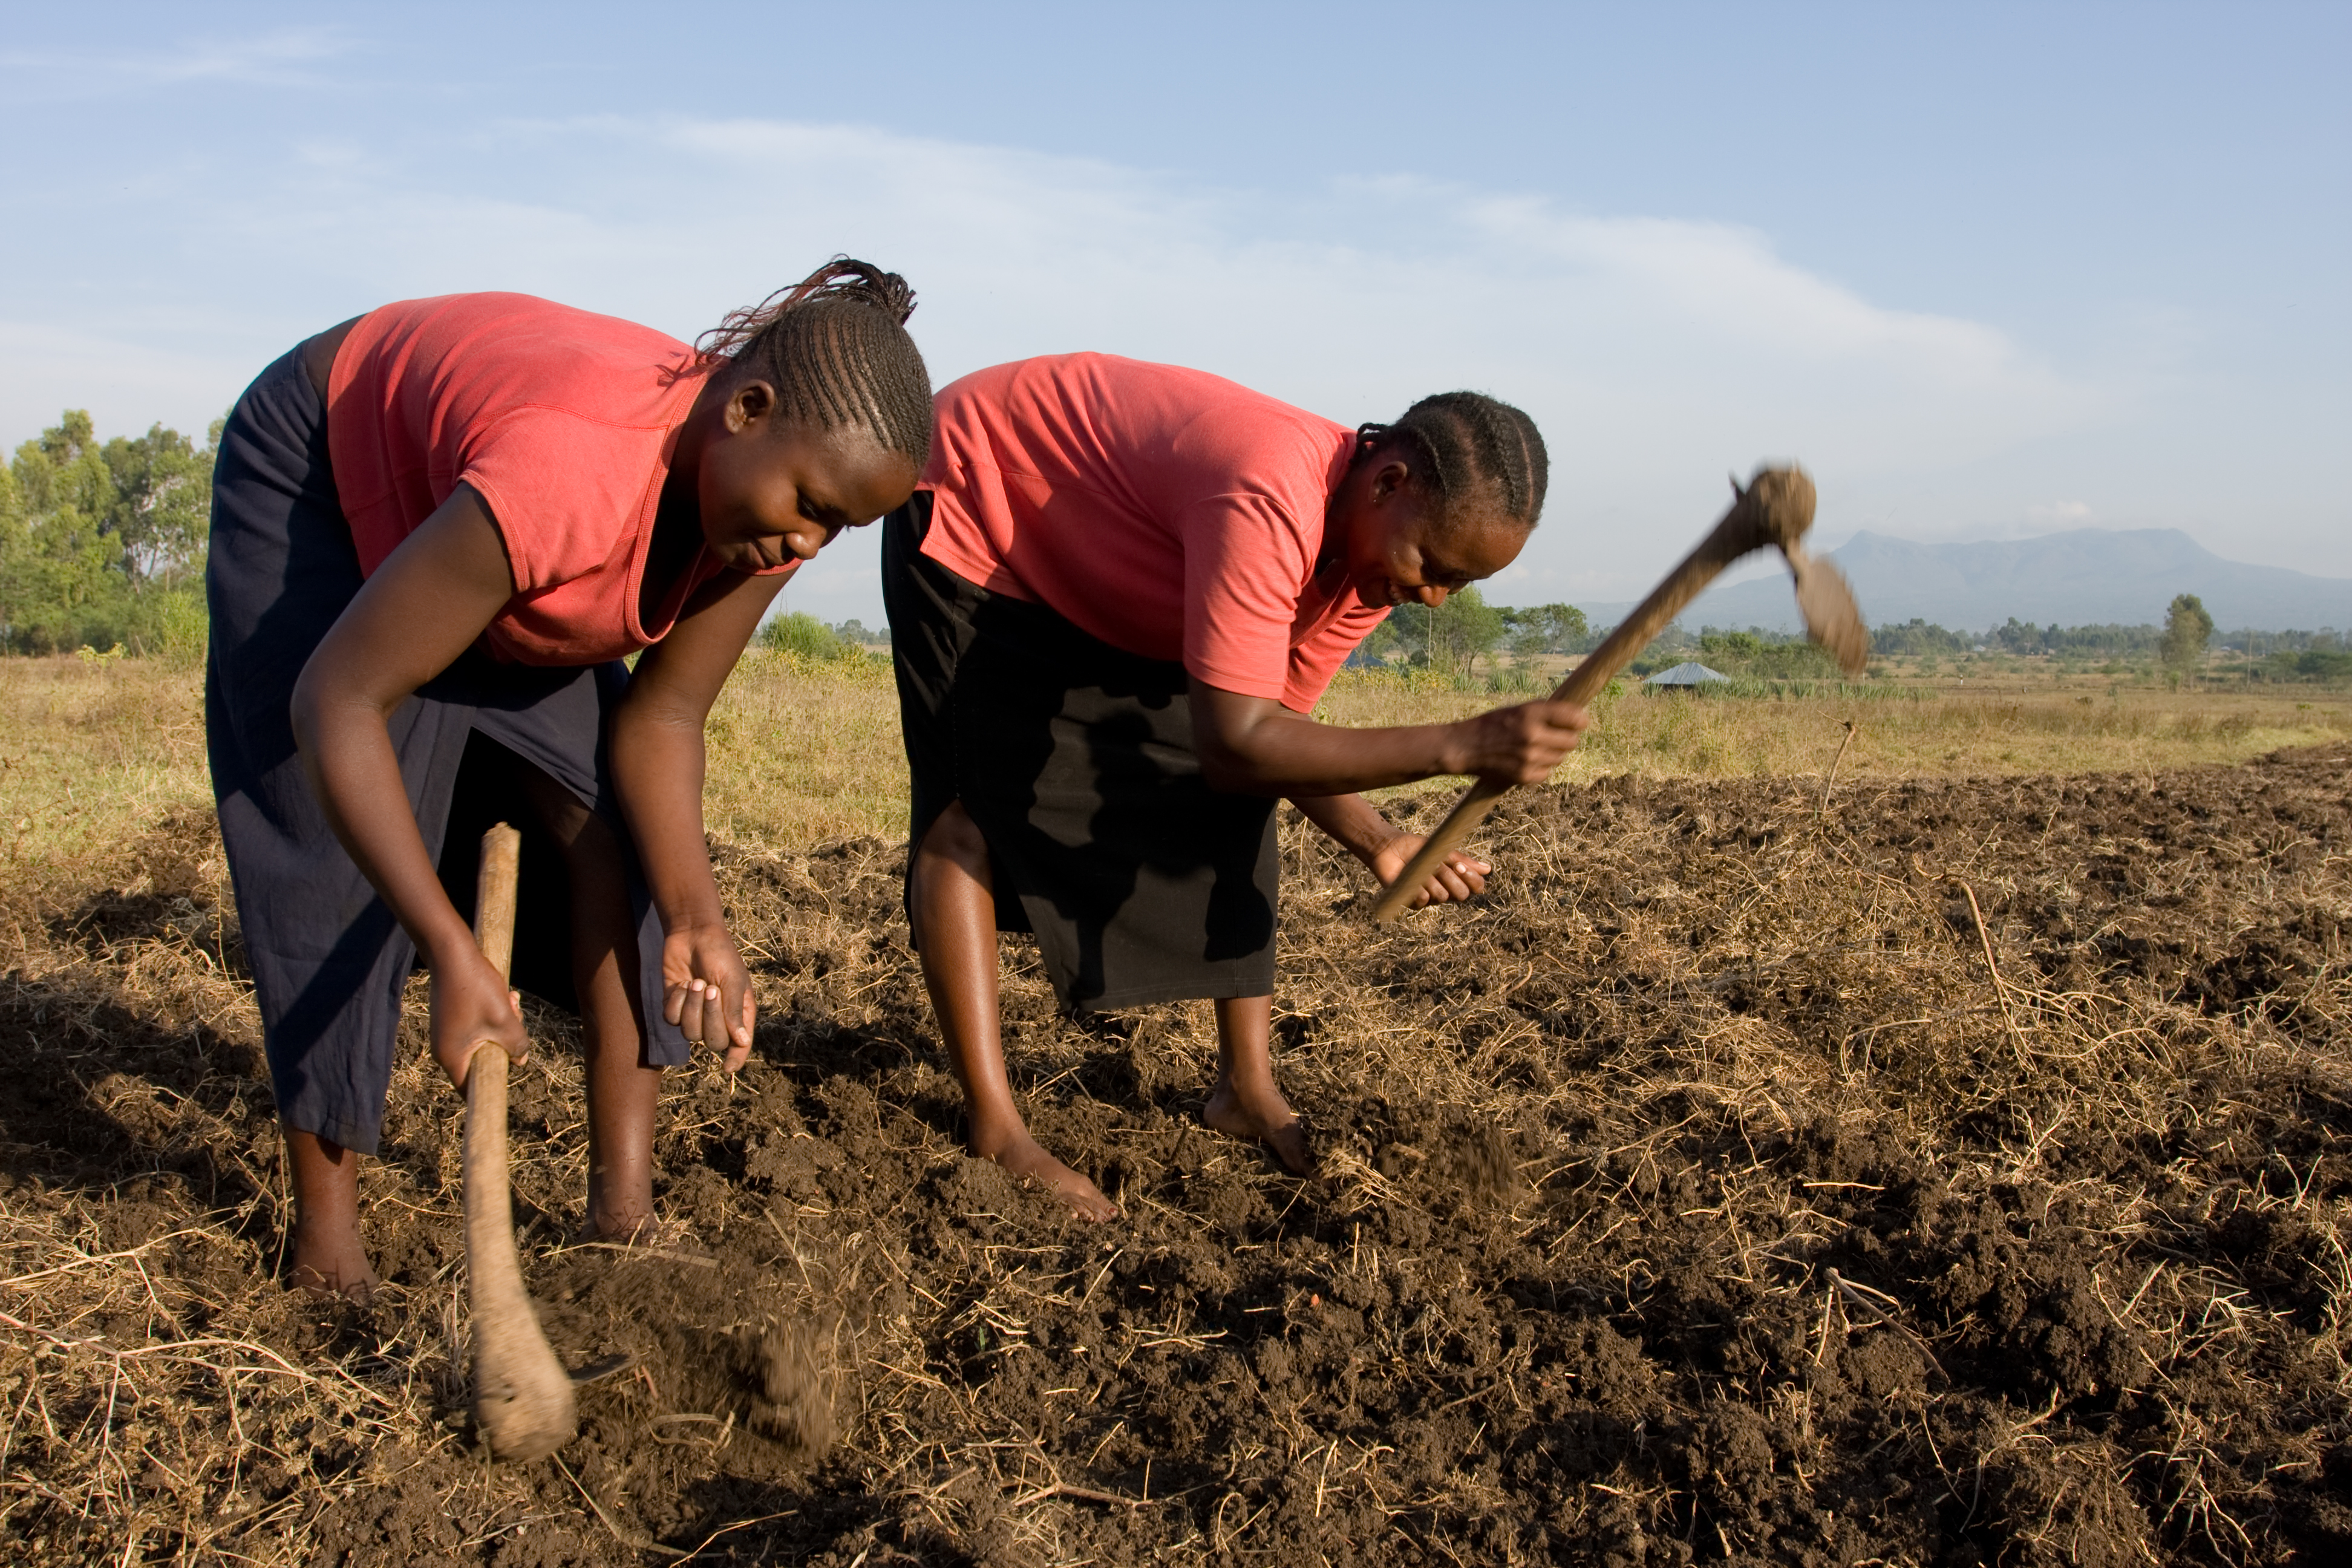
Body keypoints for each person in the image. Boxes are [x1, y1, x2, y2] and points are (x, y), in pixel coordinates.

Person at [207, 260, 932, 1300]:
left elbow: (663, 721)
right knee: (325, 851)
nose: (807, 542)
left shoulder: (762, 520)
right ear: (748, 408)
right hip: (328, 473)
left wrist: (698, 915)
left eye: (837, 530)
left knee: (618, 836)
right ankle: (327, 1253)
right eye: (811, 506)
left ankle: (620, 1223)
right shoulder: (572, 473)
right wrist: (451, 950)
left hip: (486, 521)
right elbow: (337, 703)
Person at [884, 353, 1588, 1221]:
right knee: (971, 810)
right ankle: (995, 1127)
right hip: (980, 507)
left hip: (1107, 563)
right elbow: (1238, 747)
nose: (1436, 597)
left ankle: (1243, 1089)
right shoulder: (1265, 492)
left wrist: (1381, 839)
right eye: (1435, 565)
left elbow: (1279, 740)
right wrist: (1462, 743)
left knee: (1244, 777)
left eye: (1462, 583)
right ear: (1389, 480)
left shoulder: (1368, 566)